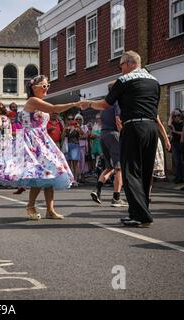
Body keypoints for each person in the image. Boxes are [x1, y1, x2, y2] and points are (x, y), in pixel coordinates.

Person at [82, 51, 161, 228]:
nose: (121, 69)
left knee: (130, 171)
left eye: (121, 66)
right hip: (151, 127)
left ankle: (141, 216)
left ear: (129, 63)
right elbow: (155, 108)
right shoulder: (154, 81)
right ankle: (138, 212)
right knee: (145, 172)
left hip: (133, 127)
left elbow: (106, 104)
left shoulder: (124, 80)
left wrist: (88, 103)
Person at [0, 75, 77, 220]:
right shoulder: (33, 101)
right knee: (39, 174)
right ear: (34, 88)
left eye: (48, 86)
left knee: (50, 173)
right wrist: (74, 104)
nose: (46, 88)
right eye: (44, 86)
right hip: (32, 142)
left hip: (42, 140)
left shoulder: (38, 102)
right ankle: (30, 206)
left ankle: (50, 210)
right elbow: (54, 108)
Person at [90, 83, 127, 207]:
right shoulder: (116, 102)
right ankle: (116, 198)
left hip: (103, 135)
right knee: (118, 168)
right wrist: (124, 135)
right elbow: (118, 120)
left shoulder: (104, 104)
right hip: (113, 135)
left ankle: (97, 190)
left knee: (109, 167)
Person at [63, 114, 84, 187]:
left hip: (75, 146)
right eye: (68, 119)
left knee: (75, 165)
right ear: (66, 120)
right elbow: (62, 137)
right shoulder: (67, 128)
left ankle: (75, 180)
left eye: (72, 119)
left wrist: (79, 127)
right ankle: (69, 180)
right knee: (68, 165)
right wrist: (64, 130)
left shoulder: (77, 128)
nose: (70, 120)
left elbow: (83, 135)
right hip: (68, 146)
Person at [168, 109, 184, 184]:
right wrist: (171, 114)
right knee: (176, 162)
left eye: (178, 115)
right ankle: (178, 177)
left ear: (181, 116)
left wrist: (175, 132)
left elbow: (183, 133)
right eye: (175, 116)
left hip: (182, 143)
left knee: (183, 162)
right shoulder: (173, 123)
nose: (176, 117)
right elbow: (169, 124)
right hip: (174, 144)